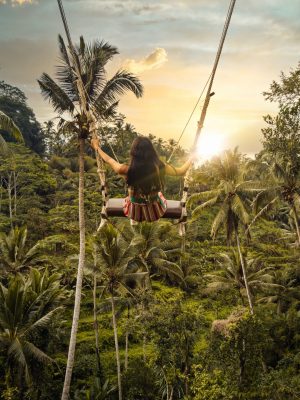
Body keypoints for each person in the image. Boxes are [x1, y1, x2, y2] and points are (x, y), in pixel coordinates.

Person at [91, 136, 194, 224]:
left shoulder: (126, 170)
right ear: (152, 152)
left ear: (134, 153)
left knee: (130, 198)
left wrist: (97, 147)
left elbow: (109, 160)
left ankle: (136, 216)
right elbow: (181, 171)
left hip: (133, 213)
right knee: (159, 196)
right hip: (155, 213)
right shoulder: (160, 167)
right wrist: (191, 158)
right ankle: (148, 209)